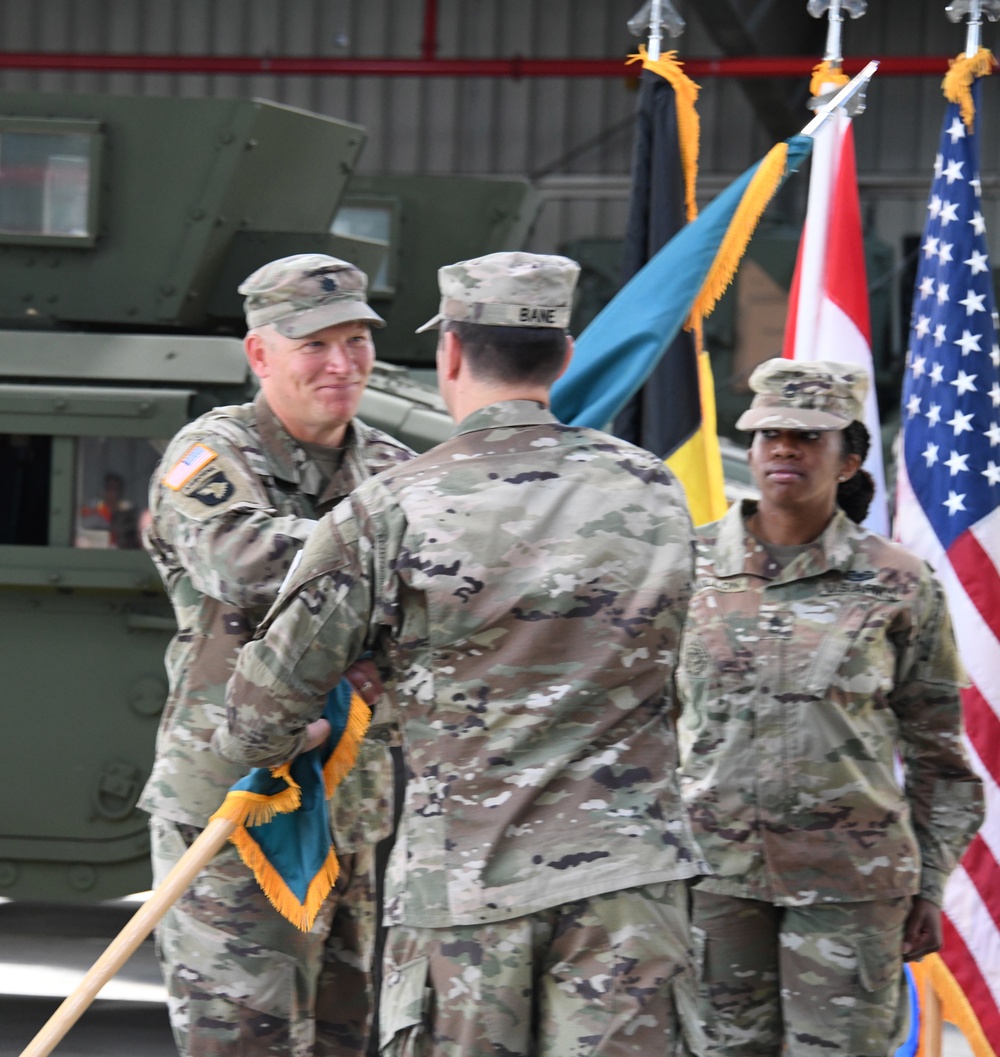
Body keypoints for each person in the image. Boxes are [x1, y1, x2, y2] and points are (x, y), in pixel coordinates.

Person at [214, 250, 709, 1057]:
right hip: (629, 881)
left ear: (448, 352)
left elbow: (259, 712)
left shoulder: (393, 504)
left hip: (467, 891)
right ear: (566, 355)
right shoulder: (652, 488)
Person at [140, 253, 414, 1057]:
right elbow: (245, 562)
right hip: (235, 807)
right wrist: (387, 554)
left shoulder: (393, 468)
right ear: (260, 354)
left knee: (348, 1039)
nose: (342, 364)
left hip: (351, 810)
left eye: (356, 341)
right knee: (243, 1043)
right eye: (314, 344)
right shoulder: (211, 457)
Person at [675, 358, 984, 1057]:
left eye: (809, 436)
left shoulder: (899, 582)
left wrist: (929, 883)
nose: (786, 447)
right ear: (750, 450)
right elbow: (641, 730)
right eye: (770, 433)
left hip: (853, 887)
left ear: (847, 461)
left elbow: (939, 753)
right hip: (715, 880)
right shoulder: (685, 568)